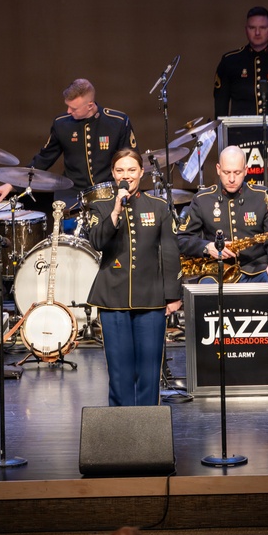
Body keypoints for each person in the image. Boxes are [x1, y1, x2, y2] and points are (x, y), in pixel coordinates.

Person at [87, 149, 182, 406]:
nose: (126, 176)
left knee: (150, 371)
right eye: (120, 170)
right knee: (119, 371)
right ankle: (121, 427)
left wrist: (173, 295)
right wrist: (115, 211)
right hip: (112, 298)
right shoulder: (101, 206)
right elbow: (96, 241)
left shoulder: (159, 207)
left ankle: (148, 427)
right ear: (113, 174)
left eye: (131, 170)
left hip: (151, 298)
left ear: (142, 172)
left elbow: (170, 252)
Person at [0, 78, 138, 203]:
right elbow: (44, 158)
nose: (68, 112)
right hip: (72, 195)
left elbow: (131, 159)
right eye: (67, 106)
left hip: (109, 193)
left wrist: (127, 189)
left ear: (90, 106)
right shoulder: (61, 124)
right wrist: (11, 184)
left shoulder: (117, 122)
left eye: (73, 108)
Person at [177, 145, 268, 283]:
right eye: (227, 172)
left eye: (237, 172)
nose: (232, 179)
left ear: (246, 170)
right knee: (205, 287)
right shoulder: (202, 199)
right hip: (218, 272)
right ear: (218, 169)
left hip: (257, 269)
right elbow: (182, 239)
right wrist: (207, 247)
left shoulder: (262, 195)